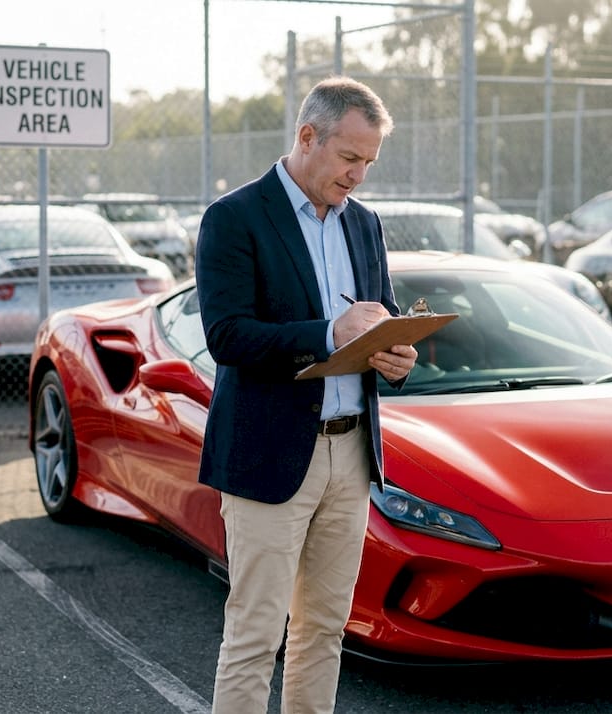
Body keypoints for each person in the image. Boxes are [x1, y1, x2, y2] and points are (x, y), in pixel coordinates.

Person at [193, 76, 416, 714]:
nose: (359, 176)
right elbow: (227, 336)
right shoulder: (234, 217)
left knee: (324, 630)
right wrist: (326, 333)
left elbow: (380, 317)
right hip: (269, 454)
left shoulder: (365, 226)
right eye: (350, 158)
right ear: (308, 136)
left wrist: (396, 354)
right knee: (255, 634)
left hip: (351, 457)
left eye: (369, 163)